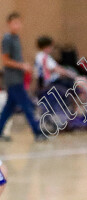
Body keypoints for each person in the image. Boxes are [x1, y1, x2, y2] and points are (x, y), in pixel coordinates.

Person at [0, 13, 45, 142]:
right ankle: (38, 132)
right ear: (9, 24)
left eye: (19, 23)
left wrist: (26, 67)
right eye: (14, 23)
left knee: (9, 108)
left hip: (18, 78)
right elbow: (6, 60)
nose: (17, 25)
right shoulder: (7, 39)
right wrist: (22, 66)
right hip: (12, 79)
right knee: (26, 105)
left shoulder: (16, 38)